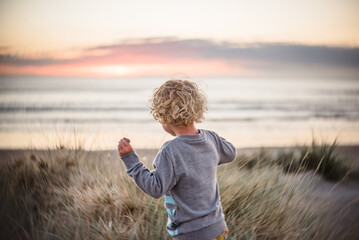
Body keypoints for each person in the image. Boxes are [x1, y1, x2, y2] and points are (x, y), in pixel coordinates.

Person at [118, 79, 236, 240]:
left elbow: (155, 188)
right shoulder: (211, 139)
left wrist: (131, 161)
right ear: (197, 109)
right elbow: (230, 152)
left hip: (190, 234)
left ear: (164, 117)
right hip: (218, 229)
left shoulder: (170, 151)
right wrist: (209, 137)